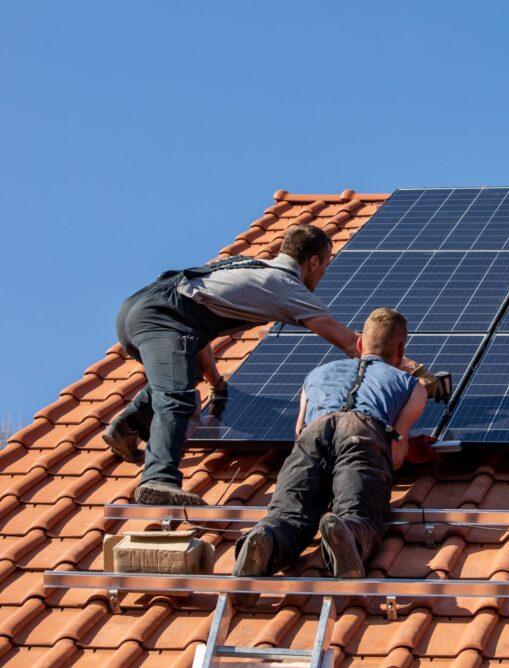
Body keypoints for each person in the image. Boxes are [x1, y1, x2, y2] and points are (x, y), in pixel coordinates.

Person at [103, 225, 448, 506]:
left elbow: (196, 338)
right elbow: (351, 343)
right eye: (325, 264)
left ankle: (129, 425)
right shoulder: (284, 288)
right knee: (177, 397)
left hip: (142, 309)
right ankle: (158, 481)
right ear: (313, 262)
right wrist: (414, 371)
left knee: (180, 376)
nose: (324, 273)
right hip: (162, 318)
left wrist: (217, 384)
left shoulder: (246, 266)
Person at [232, 307, 438, 596]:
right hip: (363, 433)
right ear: (402, 349)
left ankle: (268, 538)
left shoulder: (316, 374)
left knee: (288, 515)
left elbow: (299, 431)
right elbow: (396, 447)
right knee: (361, 513)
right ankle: (348, 534)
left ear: (359, 344)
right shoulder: (412, 386)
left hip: (314, 433)